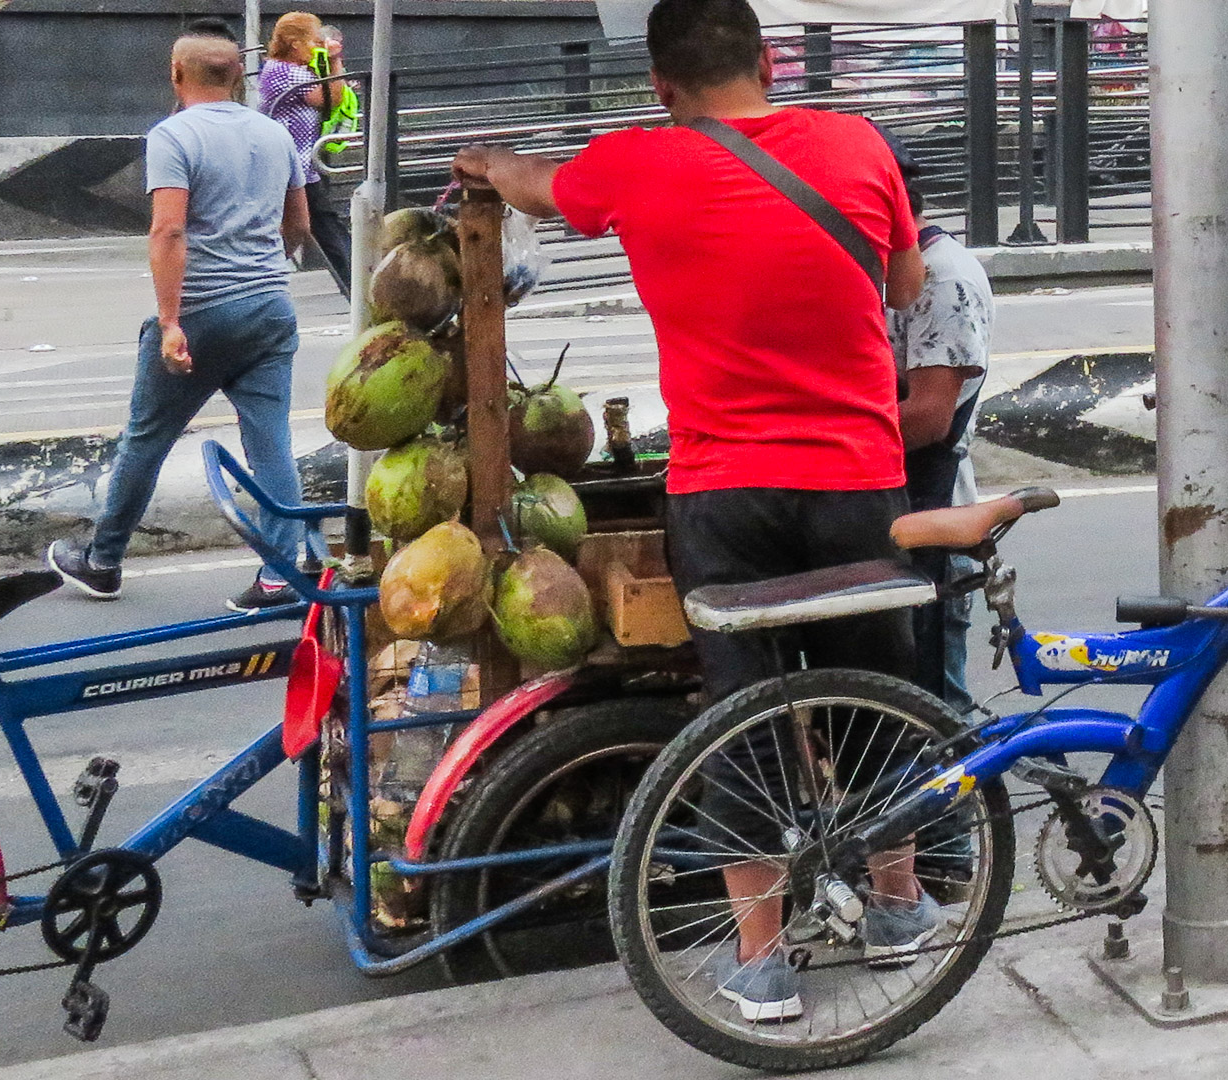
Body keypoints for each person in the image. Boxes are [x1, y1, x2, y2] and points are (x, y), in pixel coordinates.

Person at [450, 0, 928, 1022]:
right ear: (768, 60)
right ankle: (899, 908)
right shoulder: (856, 143)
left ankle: (761, 965)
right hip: (855, 476)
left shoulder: (635, 161)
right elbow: (905, 280)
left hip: (723, 491)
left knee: (740, 713)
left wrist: (489, 163)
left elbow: (537, 186)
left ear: (660, 86)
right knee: (876, 689)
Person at [47, 34, 312, 613]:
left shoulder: (172, 136)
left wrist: (170, 322)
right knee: (270, 443)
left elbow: (168, 230)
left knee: (148, 437)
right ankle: (280, 577)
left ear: (175, 73)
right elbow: (298, 223)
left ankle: (103, 561)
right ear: (238, 77)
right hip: (270, 307)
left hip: (203, 311)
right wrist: (266, 265)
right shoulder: (274, 133)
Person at [889, 145, 992, 716]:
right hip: (895, 506)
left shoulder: (943, 280)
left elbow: (929, 417)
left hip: (931, 510)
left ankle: (958, 806)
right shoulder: (887, 267)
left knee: (932, 714)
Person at [258, 12, 352, 291]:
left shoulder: (296, 70)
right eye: (313, 40)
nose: (317, 46)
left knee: (312, 226)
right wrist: (334, 61)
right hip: (291, 166)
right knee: (320, 227)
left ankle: (263, 275)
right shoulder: (284, 72)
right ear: (293, 43)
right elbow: (331, 99)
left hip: (301, 166)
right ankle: (355, 285)